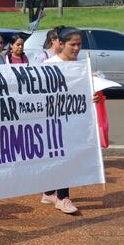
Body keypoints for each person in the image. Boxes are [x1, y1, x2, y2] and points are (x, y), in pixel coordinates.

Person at [41, 26, 99, 214]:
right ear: (60, 44)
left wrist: (93, 96)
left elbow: (83, 93)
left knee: (67, 155)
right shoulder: (50, 66)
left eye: (79, 44)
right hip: (54, 121)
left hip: (74, 121)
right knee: (63, 156)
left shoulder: (82, 66)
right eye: (72, 44)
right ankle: (62, 197)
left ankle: (49, 192)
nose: (76, 48)